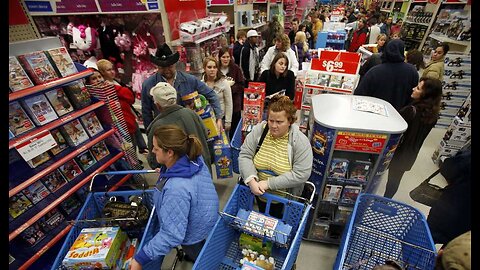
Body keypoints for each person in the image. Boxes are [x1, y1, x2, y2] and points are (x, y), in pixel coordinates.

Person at [130, 125, 219, 269]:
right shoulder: (193, 157)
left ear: (170, 152)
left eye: (156, 148)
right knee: (204, 251)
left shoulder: (176, 189)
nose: (152, 151)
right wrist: (165, 172)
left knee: (201, 257)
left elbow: (172, 235)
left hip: (193, 233)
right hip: (205, 216)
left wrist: (140, 258)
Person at [238, 95, 313, 218]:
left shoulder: (300, 142)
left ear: (290, 121)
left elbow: (301, 174)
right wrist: (251, 181)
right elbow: (245, 155)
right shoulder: (260, 130)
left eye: (279, 122)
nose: (273, 126)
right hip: (254, 193)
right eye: (271, 120)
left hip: (284, 200)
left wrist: (268, 184)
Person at [141, 43, 223, 131]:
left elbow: (211, 95)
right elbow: (146, 113)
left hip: (189, 129)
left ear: (175, 64)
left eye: (170, 66)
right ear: (157, 67)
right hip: (165, 132)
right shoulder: (148, 85)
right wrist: (150, 134)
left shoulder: (190, 80)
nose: (166, 70)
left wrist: (219, 118)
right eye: (162, 67)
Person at [384, 77, 442, 198]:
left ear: (426, 95)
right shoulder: (433, 115)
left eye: (418, 88)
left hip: (395, 151)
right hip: (409, 154)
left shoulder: (411, 110)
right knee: (394, 180)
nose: (413, 89)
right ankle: (385, 200)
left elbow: (392, 127)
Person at [146, 82, 212, 171]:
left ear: (157, 105)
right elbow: (206, 135)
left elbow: (155, 160)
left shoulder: (157, 126)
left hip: (178, 175)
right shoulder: (191, 113)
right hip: (202, 168)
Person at [97, 58, 149, 155]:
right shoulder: (107, 88)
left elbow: (130, 98)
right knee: (129, 149)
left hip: (128, 120)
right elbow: (128, 96)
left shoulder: (116, 82)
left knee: (133, 147)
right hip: (121, 124)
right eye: (108, 70)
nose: (112, 72)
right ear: (102, 73)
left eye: (112, 69)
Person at [354, 39, 419, 110]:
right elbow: (414, 96)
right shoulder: (412, 71)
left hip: (374, 113)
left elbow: (359, 95)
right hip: (398, 114)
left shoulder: (375, 71)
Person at [427, 147, 471, 246]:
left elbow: (448, 168)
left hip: (448, 212)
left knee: (424, 241)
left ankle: (411, 260)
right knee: (450, 252)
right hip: (465, 229)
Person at [218, 47, 246, 139]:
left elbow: (242, 86)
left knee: (234, 133)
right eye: (223, 57)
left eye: (227, 57)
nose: (225, 59)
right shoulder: (216, 69)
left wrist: (229, 89)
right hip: (221, 108)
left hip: (235, 107)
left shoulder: (236, 69)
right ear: (219, 58)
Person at [202, 56, 233, 133]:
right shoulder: (201, 84)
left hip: (221, 118)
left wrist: (228, 121)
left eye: (214, 67)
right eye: (209, 67)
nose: (212, 70)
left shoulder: (224, 82)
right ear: (204, 68)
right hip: (206, 119)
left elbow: (229, 103)